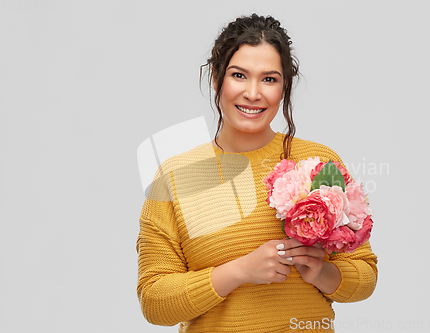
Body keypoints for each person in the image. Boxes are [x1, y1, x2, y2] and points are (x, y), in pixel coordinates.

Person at [136, 14, 378, 332]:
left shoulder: (320, 162)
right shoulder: (175, 177)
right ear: (215, 78)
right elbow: (154, 302)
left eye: (269, 79)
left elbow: (365, 274)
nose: (253, 93)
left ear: (284, 86)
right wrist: (239, 271)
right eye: (239, 75)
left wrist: (321, 274)